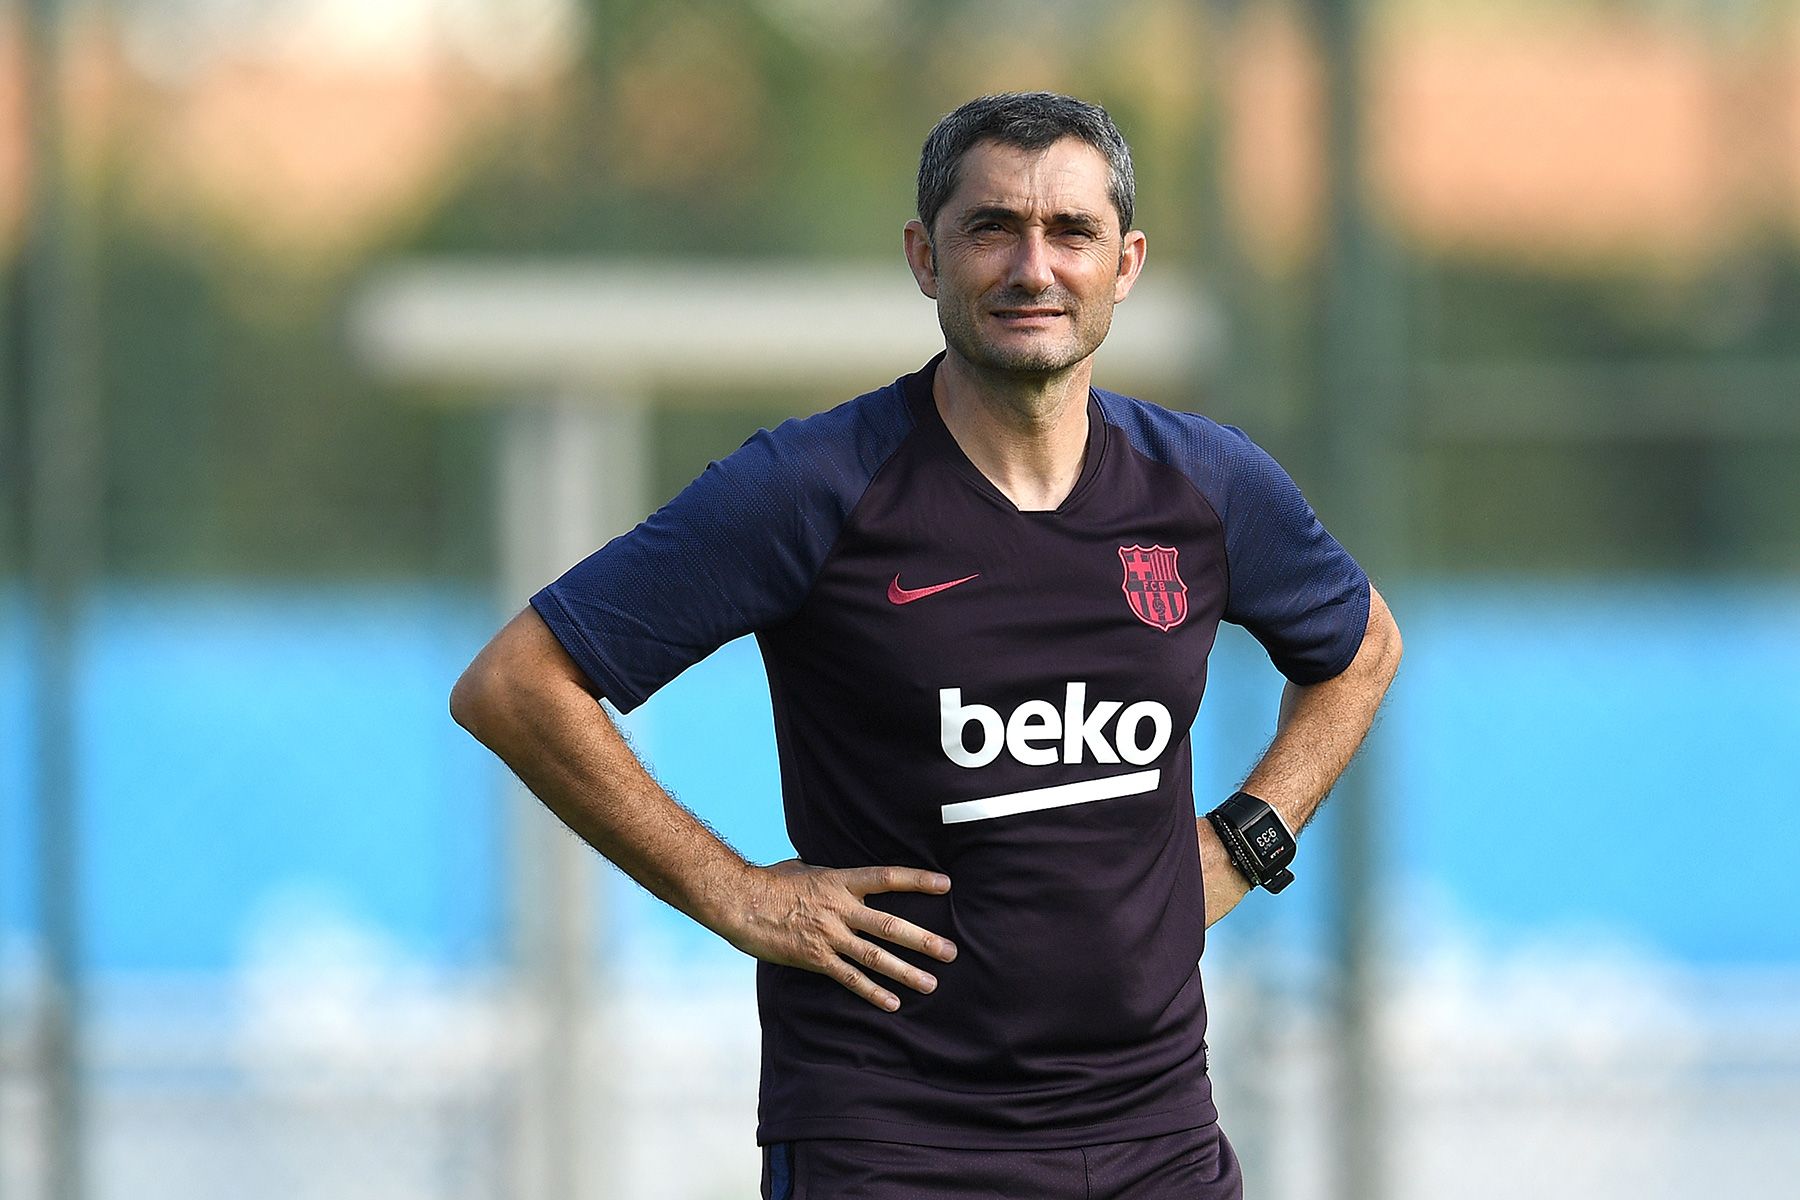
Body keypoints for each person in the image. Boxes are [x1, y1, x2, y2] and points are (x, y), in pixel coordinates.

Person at [451, 91, 1402, 1200]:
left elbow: (1360, 647)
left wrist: (1249, 837)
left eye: (1072, 233)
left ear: (1127, 262)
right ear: (924, 256)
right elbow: (517, 683)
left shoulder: (1207, 484)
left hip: (1155, 1135)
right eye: (991, 228)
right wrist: (736, 893)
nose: (1032, 268)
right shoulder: (812, 486)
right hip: (892, 1141)